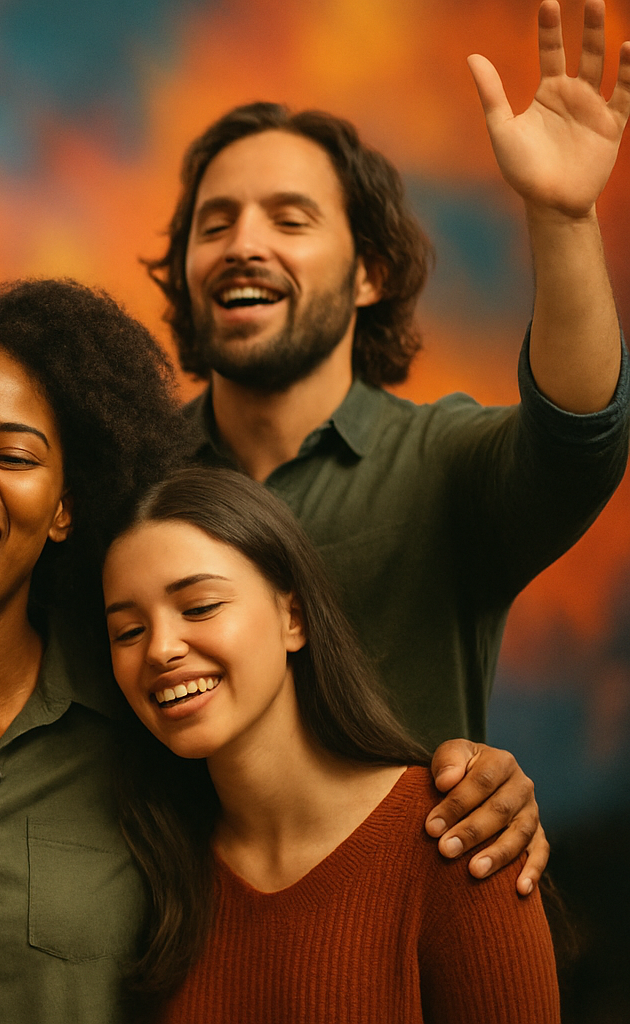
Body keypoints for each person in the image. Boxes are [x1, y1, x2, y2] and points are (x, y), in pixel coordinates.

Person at [0, 274, 544, 1024]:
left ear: (66, 507)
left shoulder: (146, 717)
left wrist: (471, 784)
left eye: (12, 454)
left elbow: (301, 823)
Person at [145, 0, 630, 752]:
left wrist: (562, 218)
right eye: (215, 224)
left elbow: (577, 435)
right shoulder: (128, 476)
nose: (243, 244)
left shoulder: (443, 465)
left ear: (369, 274)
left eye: (289, 219)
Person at [100, 467, 558, 1022]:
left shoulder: (464, 838)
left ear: (293, 617)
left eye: (199, 607)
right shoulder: (150, 871)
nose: (160, 649)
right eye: (128, 631)